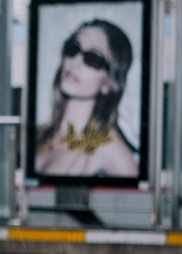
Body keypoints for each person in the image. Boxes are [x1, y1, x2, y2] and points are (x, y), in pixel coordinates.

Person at [34, 19, 138, 177]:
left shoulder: (110, 148)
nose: (74, 62)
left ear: (110, 83)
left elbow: (139, 199)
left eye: (93, 59)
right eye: (72, 48)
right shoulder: (39, 133)